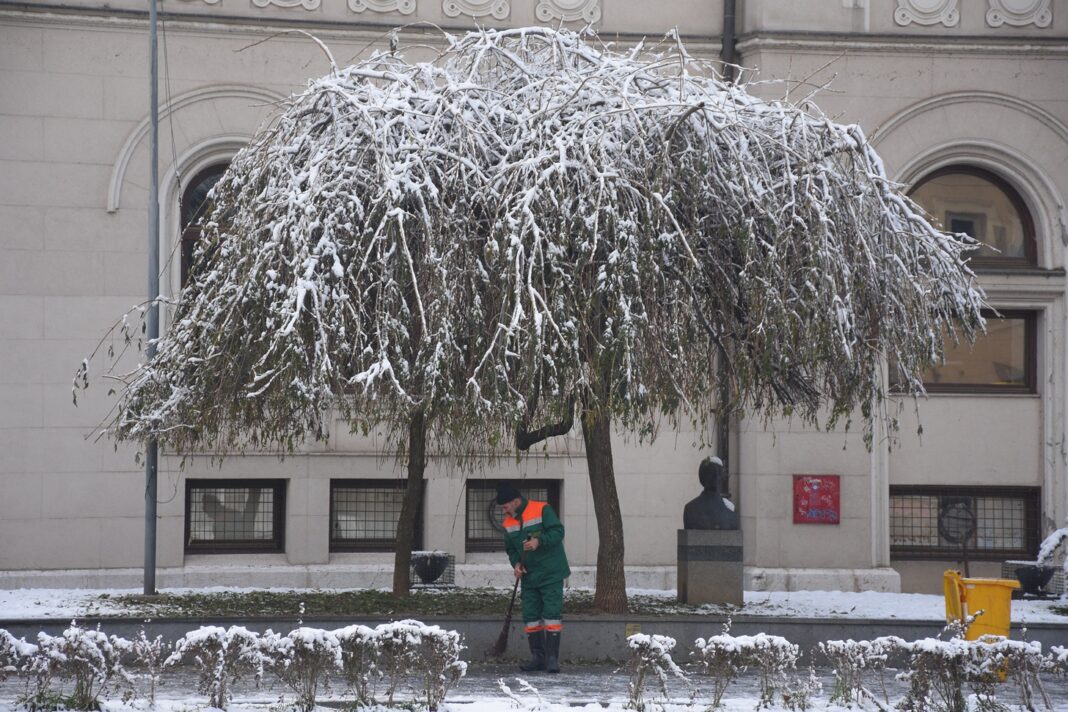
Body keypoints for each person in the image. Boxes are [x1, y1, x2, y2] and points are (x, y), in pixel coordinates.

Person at [496, 481, 571, 673]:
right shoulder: (508, 524)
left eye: (505, 507)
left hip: (550, 572)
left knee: (552, 614)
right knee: (531, 617)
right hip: (529, 577)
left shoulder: (542, 509)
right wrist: (517, 564)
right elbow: (511, 550)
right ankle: (538, 658)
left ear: (515, 501)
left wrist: (539, 541)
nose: (504, 511)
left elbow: (558, 532)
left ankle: (552, 659)